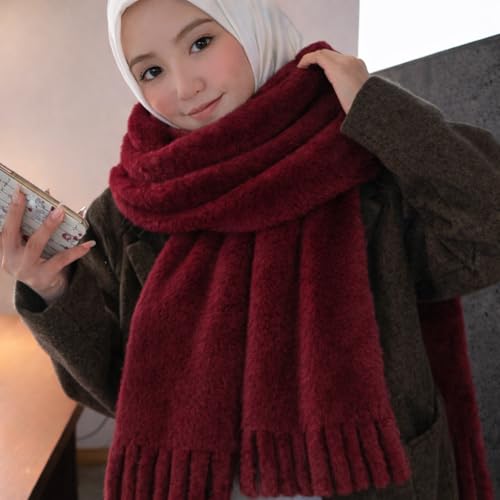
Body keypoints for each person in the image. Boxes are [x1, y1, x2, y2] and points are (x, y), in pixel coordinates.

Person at [1, 0, 500, 498]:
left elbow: (486, 234)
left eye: (201, 42)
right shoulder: (129, 212)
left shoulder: (367, 161)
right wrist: (54, 291)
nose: (185, 87)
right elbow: (119, 393)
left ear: (252, 24)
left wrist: (380, 109)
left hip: (369, 484)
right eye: (152, 71)